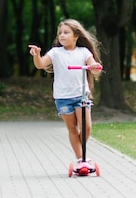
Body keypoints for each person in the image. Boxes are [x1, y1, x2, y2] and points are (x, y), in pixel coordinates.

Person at [28, 19, 102, 164]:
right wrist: (36, 55)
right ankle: (81, 158)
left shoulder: (83, 52)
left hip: (81, 96)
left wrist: (95, 66)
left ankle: (81, 152)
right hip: (63, 98)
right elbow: (41, 64)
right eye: (60, 33)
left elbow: (92, 64)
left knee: (86, 127)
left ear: (76, 36)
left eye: (66, 33)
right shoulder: (55, 53)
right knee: (72, 129)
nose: (62, 35)